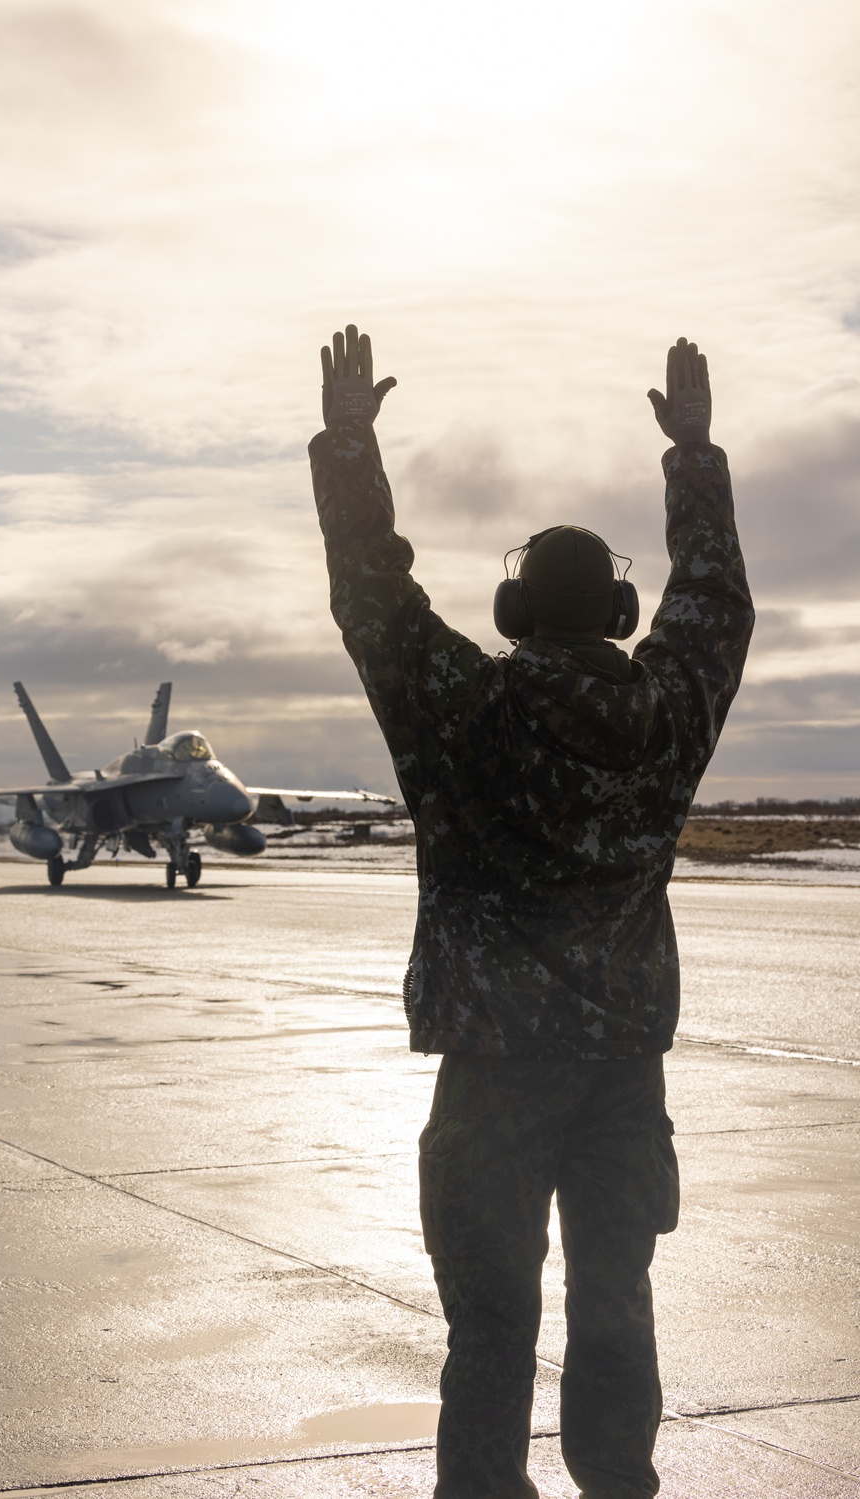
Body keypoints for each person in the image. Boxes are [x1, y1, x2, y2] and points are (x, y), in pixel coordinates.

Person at [309, 328, 753, 1499]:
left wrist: (350, 444)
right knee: (614, 1307)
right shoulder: (667, 717)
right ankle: (616, 1483)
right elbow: (714, 604)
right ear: (614, 611)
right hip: (620, 1071)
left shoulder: (463, 710)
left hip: (494, 1069)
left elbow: (371, 592)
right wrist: (694, 457)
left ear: (513, 611)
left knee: (491, 1325)